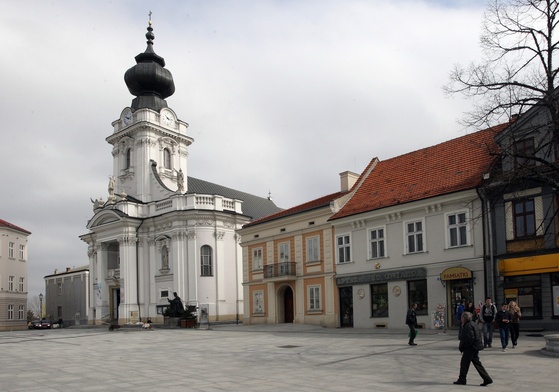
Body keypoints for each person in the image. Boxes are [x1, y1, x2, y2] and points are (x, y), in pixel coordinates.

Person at [454, 311, 493, 386]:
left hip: (471, 347)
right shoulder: (473, 324)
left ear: (464, 318)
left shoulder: (468, 326)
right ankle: (487, 379)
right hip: (475, 346)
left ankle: (462, 379)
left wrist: (464, 347)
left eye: (462, 317)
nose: (461, 319)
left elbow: (470, 338)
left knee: (464, 364)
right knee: (477, 363)